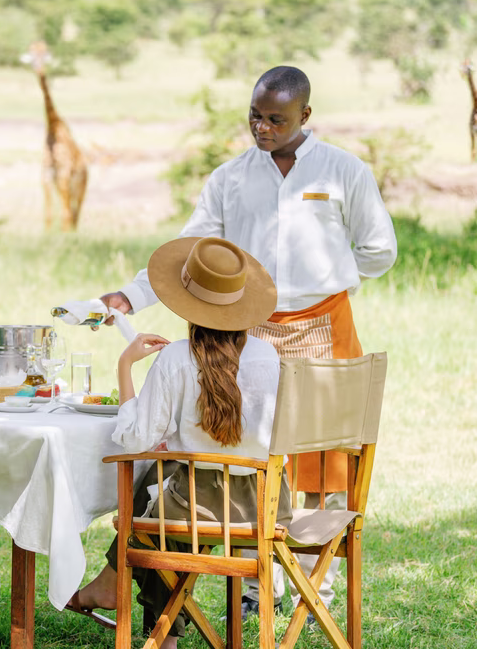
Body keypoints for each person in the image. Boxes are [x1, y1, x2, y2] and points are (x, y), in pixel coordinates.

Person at [101, 65, 398, 618]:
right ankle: (258, 587)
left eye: (276, 119)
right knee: (242, 451)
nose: (261, 128)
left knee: (319, 462)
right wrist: (130, 295)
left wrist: (330, 273)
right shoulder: (230, 177)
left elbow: (380, 249)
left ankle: (317, 591)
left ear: (305, 116)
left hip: (322, 328)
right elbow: (191, 251)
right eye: (255, 117)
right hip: (249, 332)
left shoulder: (342, 170)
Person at [68, 236, 289, 649]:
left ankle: (149, 620)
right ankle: (128, 601)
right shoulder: (270, 357)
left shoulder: (175, 359)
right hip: (266, 505)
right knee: (158, 482)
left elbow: (134, 439)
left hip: (197, 506)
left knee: (150, 505)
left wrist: (125, 365)